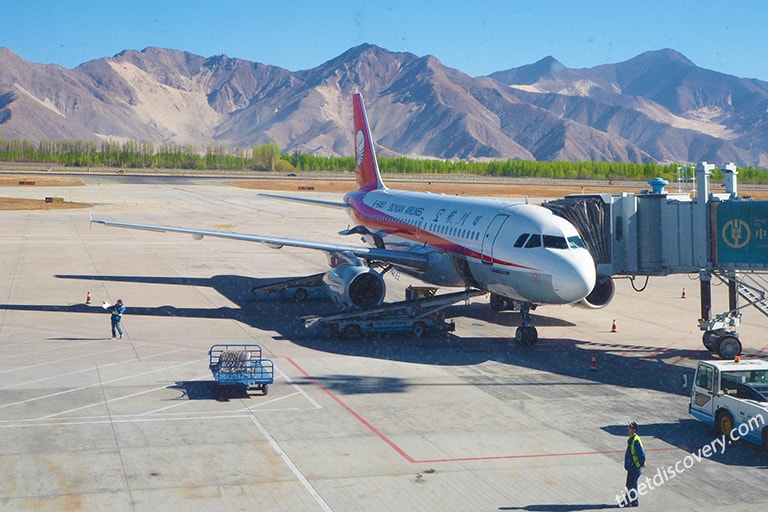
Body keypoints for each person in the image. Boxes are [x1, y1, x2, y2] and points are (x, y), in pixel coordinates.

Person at [620, 421, 646, 507]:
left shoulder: (635, 440)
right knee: (632, 485)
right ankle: (634, 502)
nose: (628, 429)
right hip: (632, 466)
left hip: (635, 466)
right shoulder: (632, 439)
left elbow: (641, 453)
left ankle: (628, 502)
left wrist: (642, 462)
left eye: (630, 428)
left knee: (630, 485)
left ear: (634, 430)